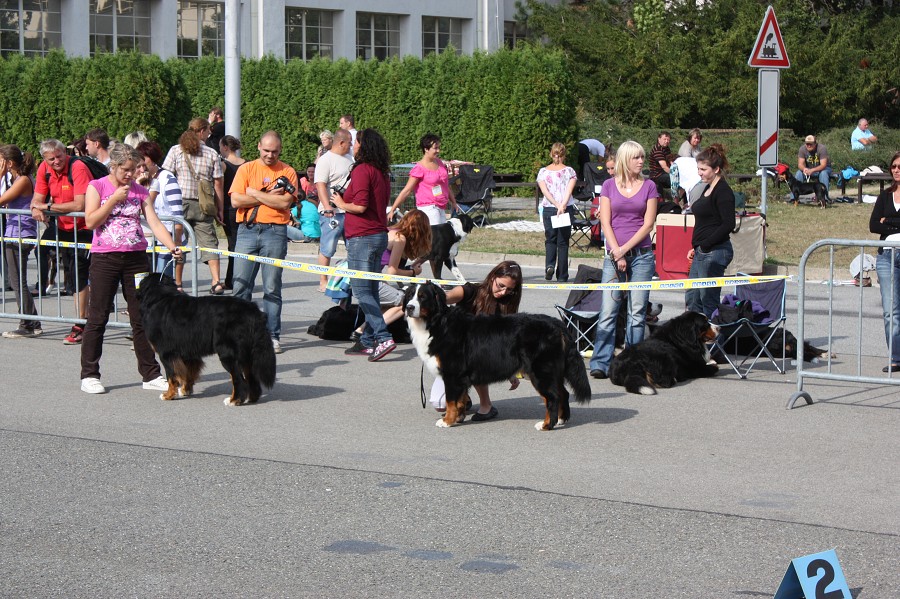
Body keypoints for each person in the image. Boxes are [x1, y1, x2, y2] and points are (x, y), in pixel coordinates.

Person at [79, 144, 183, 395]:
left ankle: (150, 373)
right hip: (105, 258)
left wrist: (172, 245)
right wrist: (113, 200)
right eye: (126, 170)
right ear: (113, 167)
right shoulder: (98, 186)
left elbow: (154, 222)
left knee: (142, 318)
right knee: (98, 316)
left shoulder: (139, 191)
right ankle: (89, 374)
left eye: (135, 169)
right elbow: (90, 220)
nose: (131, 174)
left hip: (136, 258)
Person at [588, 140, 658, 379]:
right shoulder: (608, 185)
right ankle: (600, 361)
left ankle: (633, 362)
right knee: (608, 310)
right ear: (625, 160)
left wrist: (625, 249)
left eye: (642, 157)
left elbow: (648, 223)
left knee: (637, 313)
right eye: (636, 157)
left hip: (642, 256)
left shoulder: (649, 186)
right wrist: (616, 251)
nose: (641, 161)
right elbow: (605, 221)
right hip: (612, 255)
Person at [330, 128, 397, 362]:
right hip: (378, 235)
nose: (352, 146)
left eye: (356, 142)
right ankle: (368, 340)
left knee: (360, 290)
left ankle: (383, 335)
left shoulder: (362, 170)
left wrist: (339, 202)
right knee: (371, 290)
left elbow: (359, 206)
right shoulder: (382, 172)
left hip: (362, 237)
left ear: (363, 145)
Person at [229, 131, 298, 355]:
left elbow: (285, 203)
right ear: (258, 146)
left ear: (280, 150)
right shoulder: (246, 169)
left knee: (272, 287)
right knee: (240, 286)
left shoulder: (287, 172)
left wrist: (253, 193)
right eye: (266, 150)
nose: (270, 155)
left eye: (275, 151)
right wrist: (266, 195)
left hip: (275, 232)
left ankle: (272, 335)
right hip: (247, 230)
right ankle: (239, 333)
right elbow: (236, 200)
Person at [428, 261, 524, 420]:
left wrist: (512, 370)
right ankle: (463, 398)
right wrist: (433, 294)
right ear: (493, 277)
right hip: (454, 354)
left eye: (509, 289)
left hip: (481, 356)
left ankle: (486, 405)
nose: (503, 292)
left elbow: (506, 342)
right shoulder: (470, 290)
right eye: (501, 286)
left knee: (477, 357)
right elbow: (447, 297)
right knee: (439, 404)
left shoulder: (507, 304)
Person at [30, 139, 93, 345]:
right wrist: (36, 208)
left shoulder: (78, 167)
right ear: (44, 159)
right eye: (51, 158)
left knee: (79, 274)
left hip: (85, 227)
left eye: (59, 156)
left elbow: (80, 204)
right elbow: (36, 200)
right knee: (68, 274)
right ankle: (83, 319)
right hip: (63, 227)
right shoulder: (43, 169)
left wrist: (47, 206)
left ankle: (80, 324)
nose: (57, 161)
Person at [162, 117, 225, 294]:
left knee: (178, 243)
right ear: (202, 132)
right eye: (208, 131)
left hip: (179, 203)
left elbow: (165, 176)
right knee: (209, 242)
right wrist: (219, 208)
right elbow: (218, 184)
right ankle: (216, 281)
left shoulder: (176, 150)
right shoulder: (212, 154)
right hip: (204, 204)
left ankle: (179, 283)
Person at [685, 144, 736, 317]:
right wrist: (697, 246)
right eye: (698, 168)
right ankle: (697, 340)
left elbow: (728, 224)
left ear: (716, 169)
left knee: (708, 300)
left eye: (703, 169)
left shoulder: (723, 192)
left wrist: (706, 244)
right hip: (702, 250)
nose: (699, 173)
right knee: (693, 298)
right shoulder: (708, 188)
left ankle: (716, 342)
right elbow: (707, 221)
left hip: (715, 252)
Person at [0, 145, 41, 338]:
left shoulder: (23, 180)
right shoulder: (17, 179)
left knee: (18, 282)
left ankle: (27, 325)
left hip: (20, 234)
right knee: (18, 281)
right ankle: (33, 320)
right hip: (14, 232)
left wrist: (0, 176)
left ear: (9, 162)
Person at [868, 151, 900, 373]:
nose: (897, 169)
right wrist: (894, 224)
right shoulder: (884, 196)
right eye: (894, 166)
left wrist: (888, 221)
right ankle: (896, 358)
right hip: (887, 257)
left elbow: (882, 224)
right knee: (891, 311)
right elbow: (873, 225)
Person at [135, 141, 183, 279]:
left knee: (163, 279)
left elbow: (177, 211)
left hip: (166, 234)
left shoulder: (166, 178)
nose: (142, 166)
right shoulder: (134, 181)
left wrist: (177, 238)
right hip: (145, 238)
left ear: (153, 158)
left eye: (144, 160)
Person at [388, 133, 459, 225]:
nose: (438, 150)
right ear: (426, 149)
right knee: (434, 236)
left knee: (441, 237)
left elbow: (446, 185)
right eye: (435, 148)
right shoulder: (419, 168)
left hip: (441, 206)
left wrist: (453, 202)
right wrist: (393, 209)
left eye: (439, 147)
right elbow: (407, 190)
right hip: (428, 207)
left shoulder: (440, 163)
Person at [314, 128, 354, 292]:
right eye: (349, 142)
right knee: (328, 247)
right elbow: (320, 184)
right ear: (341, 142)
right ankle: (323, 280)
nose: (351, 145)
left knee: (352, 246)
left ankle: (350, 279)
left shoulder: (350, 159)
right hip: (332, 212)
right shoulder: (326, 160)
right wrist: (327, 206)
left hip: (348, 210)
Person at [536, 142, 577, 282]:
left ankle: (549, 265)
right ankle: (562, 275)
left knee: (550, 240)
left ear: (551, 154)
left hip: (548, 208)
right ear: (564, 155)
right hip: (565, 209)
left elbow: (544, 191)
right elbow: (569, 190)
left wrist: (555, 204)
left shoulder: (543, 172)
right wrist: (562, 205)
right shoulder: (569, 171)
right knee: (563, 242)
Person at [219, 135, 246, 290]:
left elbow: (220, 187)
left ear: (225, 147)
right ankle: (237, 278)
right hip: (244, 207)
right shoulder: (246, 164)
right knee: (242, 244)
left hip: (229, 208)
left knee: (233, 245)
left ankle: (232, 280)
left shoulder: (224, 165)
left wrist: (219, 208)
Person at [287, 163, 320, 243]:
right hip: (318, 235)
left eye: (313, 172)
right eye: (309, 171)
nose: (311, 174)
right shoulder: (311, 205)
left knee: (282, 226)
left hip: (306, 236)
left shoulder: (295, 209)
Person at [648, 131, 672, 195]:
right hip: (657, 175)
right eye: (665, 139)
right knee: (674, 179)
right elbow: (664, 166)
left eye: (668, 140)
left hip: (663, 172)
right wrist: (674, 174)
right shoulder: (657, 150)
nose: (667, 141)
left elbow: (671, 160)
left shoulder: (666, 148)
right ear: (659, 139)